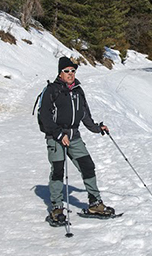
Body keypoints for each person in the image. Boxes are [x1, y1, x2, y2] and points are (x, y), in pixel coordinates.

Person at [38, 56, 114, 224]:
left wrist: (96, 128)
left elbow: (85, 115)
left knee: (88, 166)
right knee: (58, 171)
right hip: (56, 137)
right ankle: (57, 208)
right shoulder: (52, 90)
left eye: (73, 71)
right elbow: (45, 117)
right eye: (67, 71)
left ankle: (95, 203)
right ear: (60, 73)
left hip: (74, 136)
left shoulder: (78, 91)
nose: (70, 74)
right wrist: (59, 134)